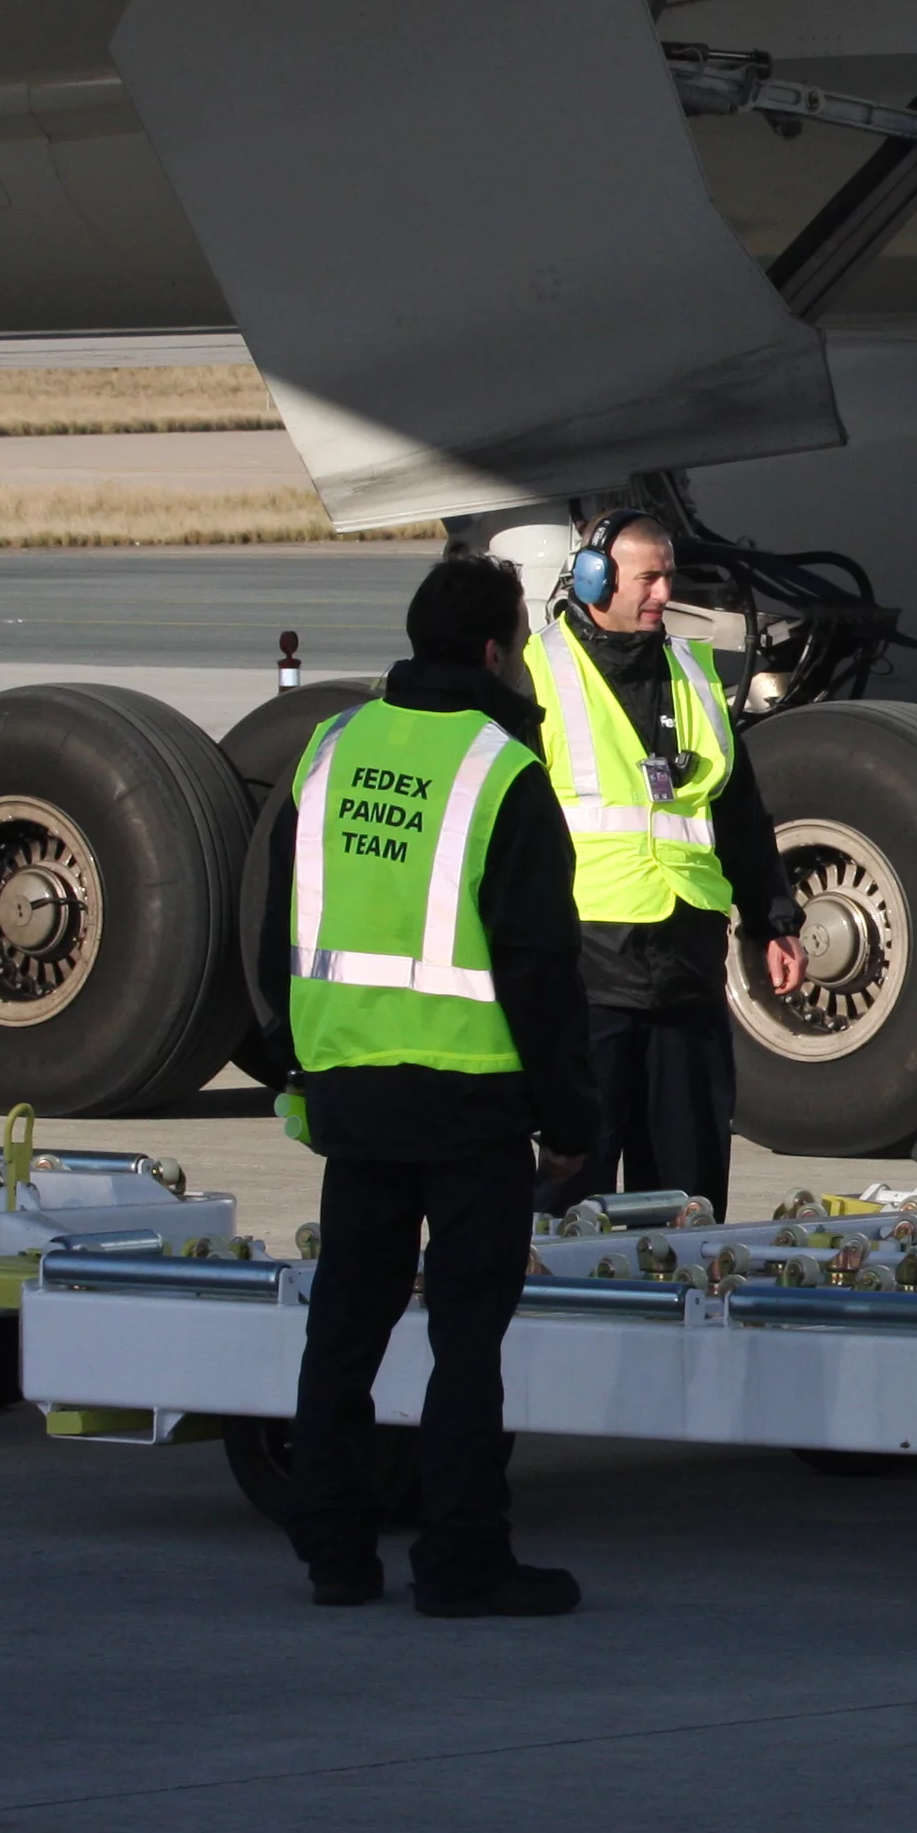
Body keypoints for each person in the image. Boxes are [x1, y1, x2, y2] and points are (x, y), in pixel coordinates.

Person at [257, 553, 603, 1617]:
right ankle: (461, 1560)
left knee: (343, 1330)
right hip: (468, 1100)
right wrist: (570, 1117)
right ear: (496, 652)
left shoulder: (330, 748)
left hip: (351, 1090)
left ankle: (334, 1552)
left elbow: (277, 920)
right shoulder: (502, 771)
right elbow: (540, 966)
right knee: (465, 1343)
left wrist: (291, 1060)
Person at [524, 510, 804, 1218]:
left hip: (686, 964)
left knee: (687, 1195)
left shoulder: (692, 673)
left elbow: (738, 811)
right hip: (590, 964)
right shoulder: (536, 675)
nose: (663, 593)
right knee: (573, 1189)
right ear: (595, 578)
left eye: (669, 577)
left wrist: (771, 921)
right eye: (648, 578)